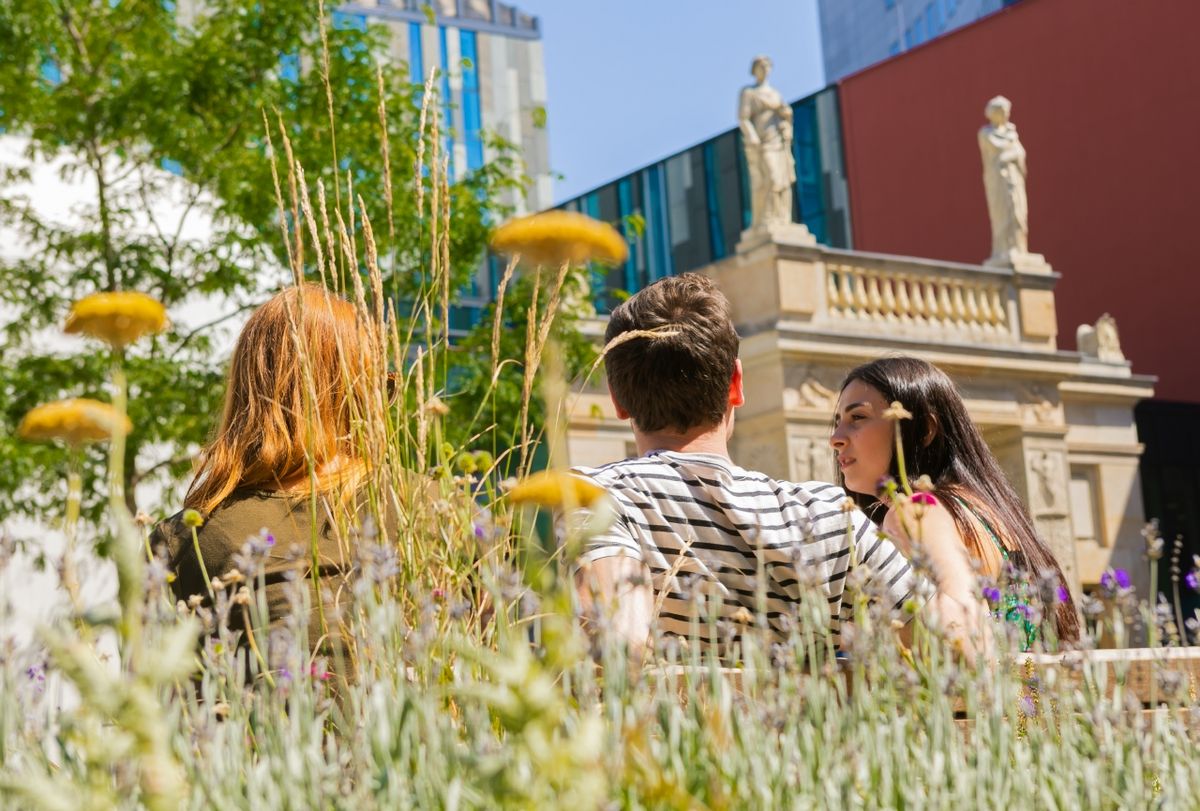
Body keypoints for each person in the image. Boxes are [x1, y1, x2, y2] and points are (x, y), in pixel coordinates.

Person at [572, 273, 987, 659]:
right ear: (736, 385)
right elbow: (964, 645)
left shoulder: (597, 497)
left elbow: (620, 647)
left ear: (618, 400)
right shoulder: (828, 513)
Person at [152, 283, 377, 676]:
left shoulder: (187, 541)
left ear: (246, 389)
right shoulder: (431, 508)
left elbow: (158, 703)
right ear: (360, 387)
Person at [830, 356, 1080, 646]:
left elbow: (961, 625)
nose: (835, 438)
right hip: (1033, 690)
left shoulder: (917, 511)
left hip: (989, 690)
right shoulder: (984, 509)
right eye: (838, 423)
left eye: (857, 417)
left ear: (924, 430)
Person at [738, 55, 796, 229]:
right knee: (770, 178)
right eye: (760, 66)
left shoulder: (776, 94)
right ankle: (768, 218)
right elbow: (743, 118)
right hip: (763, 142)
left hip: (778, 140)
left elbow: (785, 116)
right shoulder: (749, 93)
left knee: (784, 181)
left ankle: (783, 218)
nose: (764, 69)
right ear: (754, 70)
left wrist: (787, 118)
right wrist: (752, 136)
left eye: (767, 66)